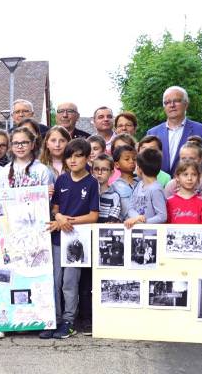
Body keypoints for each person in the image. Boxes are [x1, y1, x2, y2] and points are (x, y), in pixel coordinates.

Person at [43, 139, 98, 340]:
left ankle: (68, 321)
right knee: (55, 280)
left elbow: (93, 215)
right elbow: (55, 208)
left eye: (78, 156)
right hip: (58, 238)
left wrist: (69, 222)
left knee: (70, 282)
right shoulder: (62, 180)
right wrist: (59, 218)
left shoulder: (91, 182)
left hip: (78, 240)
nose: (73, 160)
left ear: (87, 157)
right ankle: (54, 319)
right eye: (69, 156)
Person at [146, 86, 202, 174]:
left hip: (191, 184)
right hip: (159, 184)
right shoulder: (152, 133)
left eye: (176, 101)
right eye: (167, 102)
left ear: (186, 104)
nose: (172, 105)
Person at [123, 148, 167, 228]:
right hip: (137, 230)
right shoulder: (139, 184)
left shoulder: (156, 190)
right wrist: (137, 218)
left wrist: (143, 223)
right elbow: (130, 207)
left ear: (139, 169)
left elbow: (162, 216)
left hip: (151, 234)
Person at [110, 145, 137, 221]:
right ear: (117, 164)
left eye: (134, 159)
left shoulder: (142, 182)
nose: (131, 161)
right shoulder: (114, 186)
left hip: (143, 223)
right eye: (127, 159)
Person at [94, 155, 121, 223]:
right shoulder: (87, 192)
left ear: (111, 173)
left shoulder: (114, 196)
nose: (99, 173)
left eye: (104, 169)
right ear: (92, 171)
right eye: (96, 169)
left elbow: (113, 217)